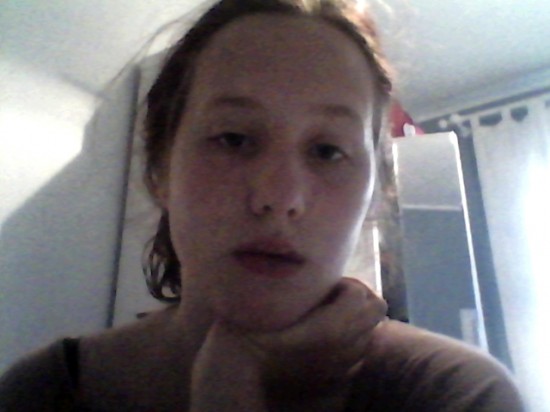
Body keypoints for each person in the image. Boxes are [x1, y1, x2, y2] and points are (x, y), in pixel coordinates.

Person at [0, 0, 524, 410]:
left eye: (328, 151)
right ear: (160, 169)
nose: (279, 198)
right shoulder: (44, 392)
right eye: (233, 138)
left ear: (374, 194)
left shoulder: (454, 395)